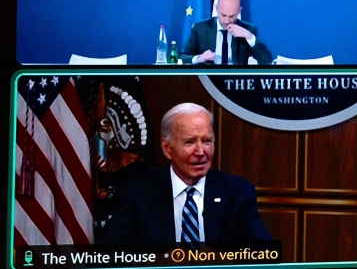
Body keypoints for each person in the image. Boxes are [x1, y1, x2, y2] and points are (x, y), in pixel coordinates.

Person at [97, 103, 271, 244]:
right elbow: (109, 254)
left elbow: (265, 253)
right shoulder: (137, 192)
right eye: (190, 142)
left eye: (207, 141)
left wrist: (221, 259)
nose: (201, 151)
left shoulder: (238, 192)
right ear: (167, 148)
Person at [181, 0, 273, 65]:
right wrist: (199, 58)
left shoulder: (248, 29)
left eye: (231, 16)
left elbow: (266, 61)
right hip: (208, 80)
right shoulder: (200, 28)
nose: (226, 21)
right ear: (217, 8)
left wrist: (249, 37)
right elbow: (182, 58)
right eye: (223, 15)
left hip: (236, 82)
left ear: (239, 11)